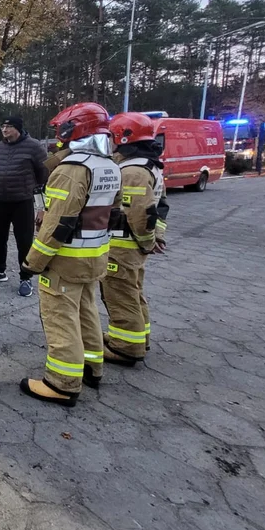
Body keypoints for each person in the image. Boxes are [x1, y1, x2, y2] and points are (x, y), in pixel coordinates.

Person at [19, 102, 121, 407]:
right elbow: (112, 215)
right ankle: (92, 367)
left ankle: (62, 383)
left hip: (66, 261)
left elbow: (57, 226)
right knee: (87, 312)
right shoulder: (110, 165)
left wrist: (32, 262)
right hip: (95, 257)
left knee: (61, 319)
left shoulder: (71, 171)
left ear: (71, 131)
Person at [101, 112, 169, 365]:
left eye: (112, 136)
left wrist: (147, 241)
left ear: (123, 137)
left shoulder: (133, 171)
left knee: (120, 293)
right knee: (134, 292)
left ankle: (126, 347)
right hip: (133, 245)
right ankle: (139, 337)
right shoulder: (149, 165)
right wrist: (154, 238)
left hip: (122, 245)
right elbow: (160, 208)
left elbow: (139, 213)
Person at [0, 116, 48, 297]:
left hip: (22, 201)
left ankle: (25, 278)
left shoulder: (34, 147)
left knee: (24, 241)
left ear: (18, 128)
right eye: (3, 126)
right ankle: (0, 271)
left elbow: (44, 175)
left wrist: (42, 206)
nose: (4, 129)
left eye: (9, 126)